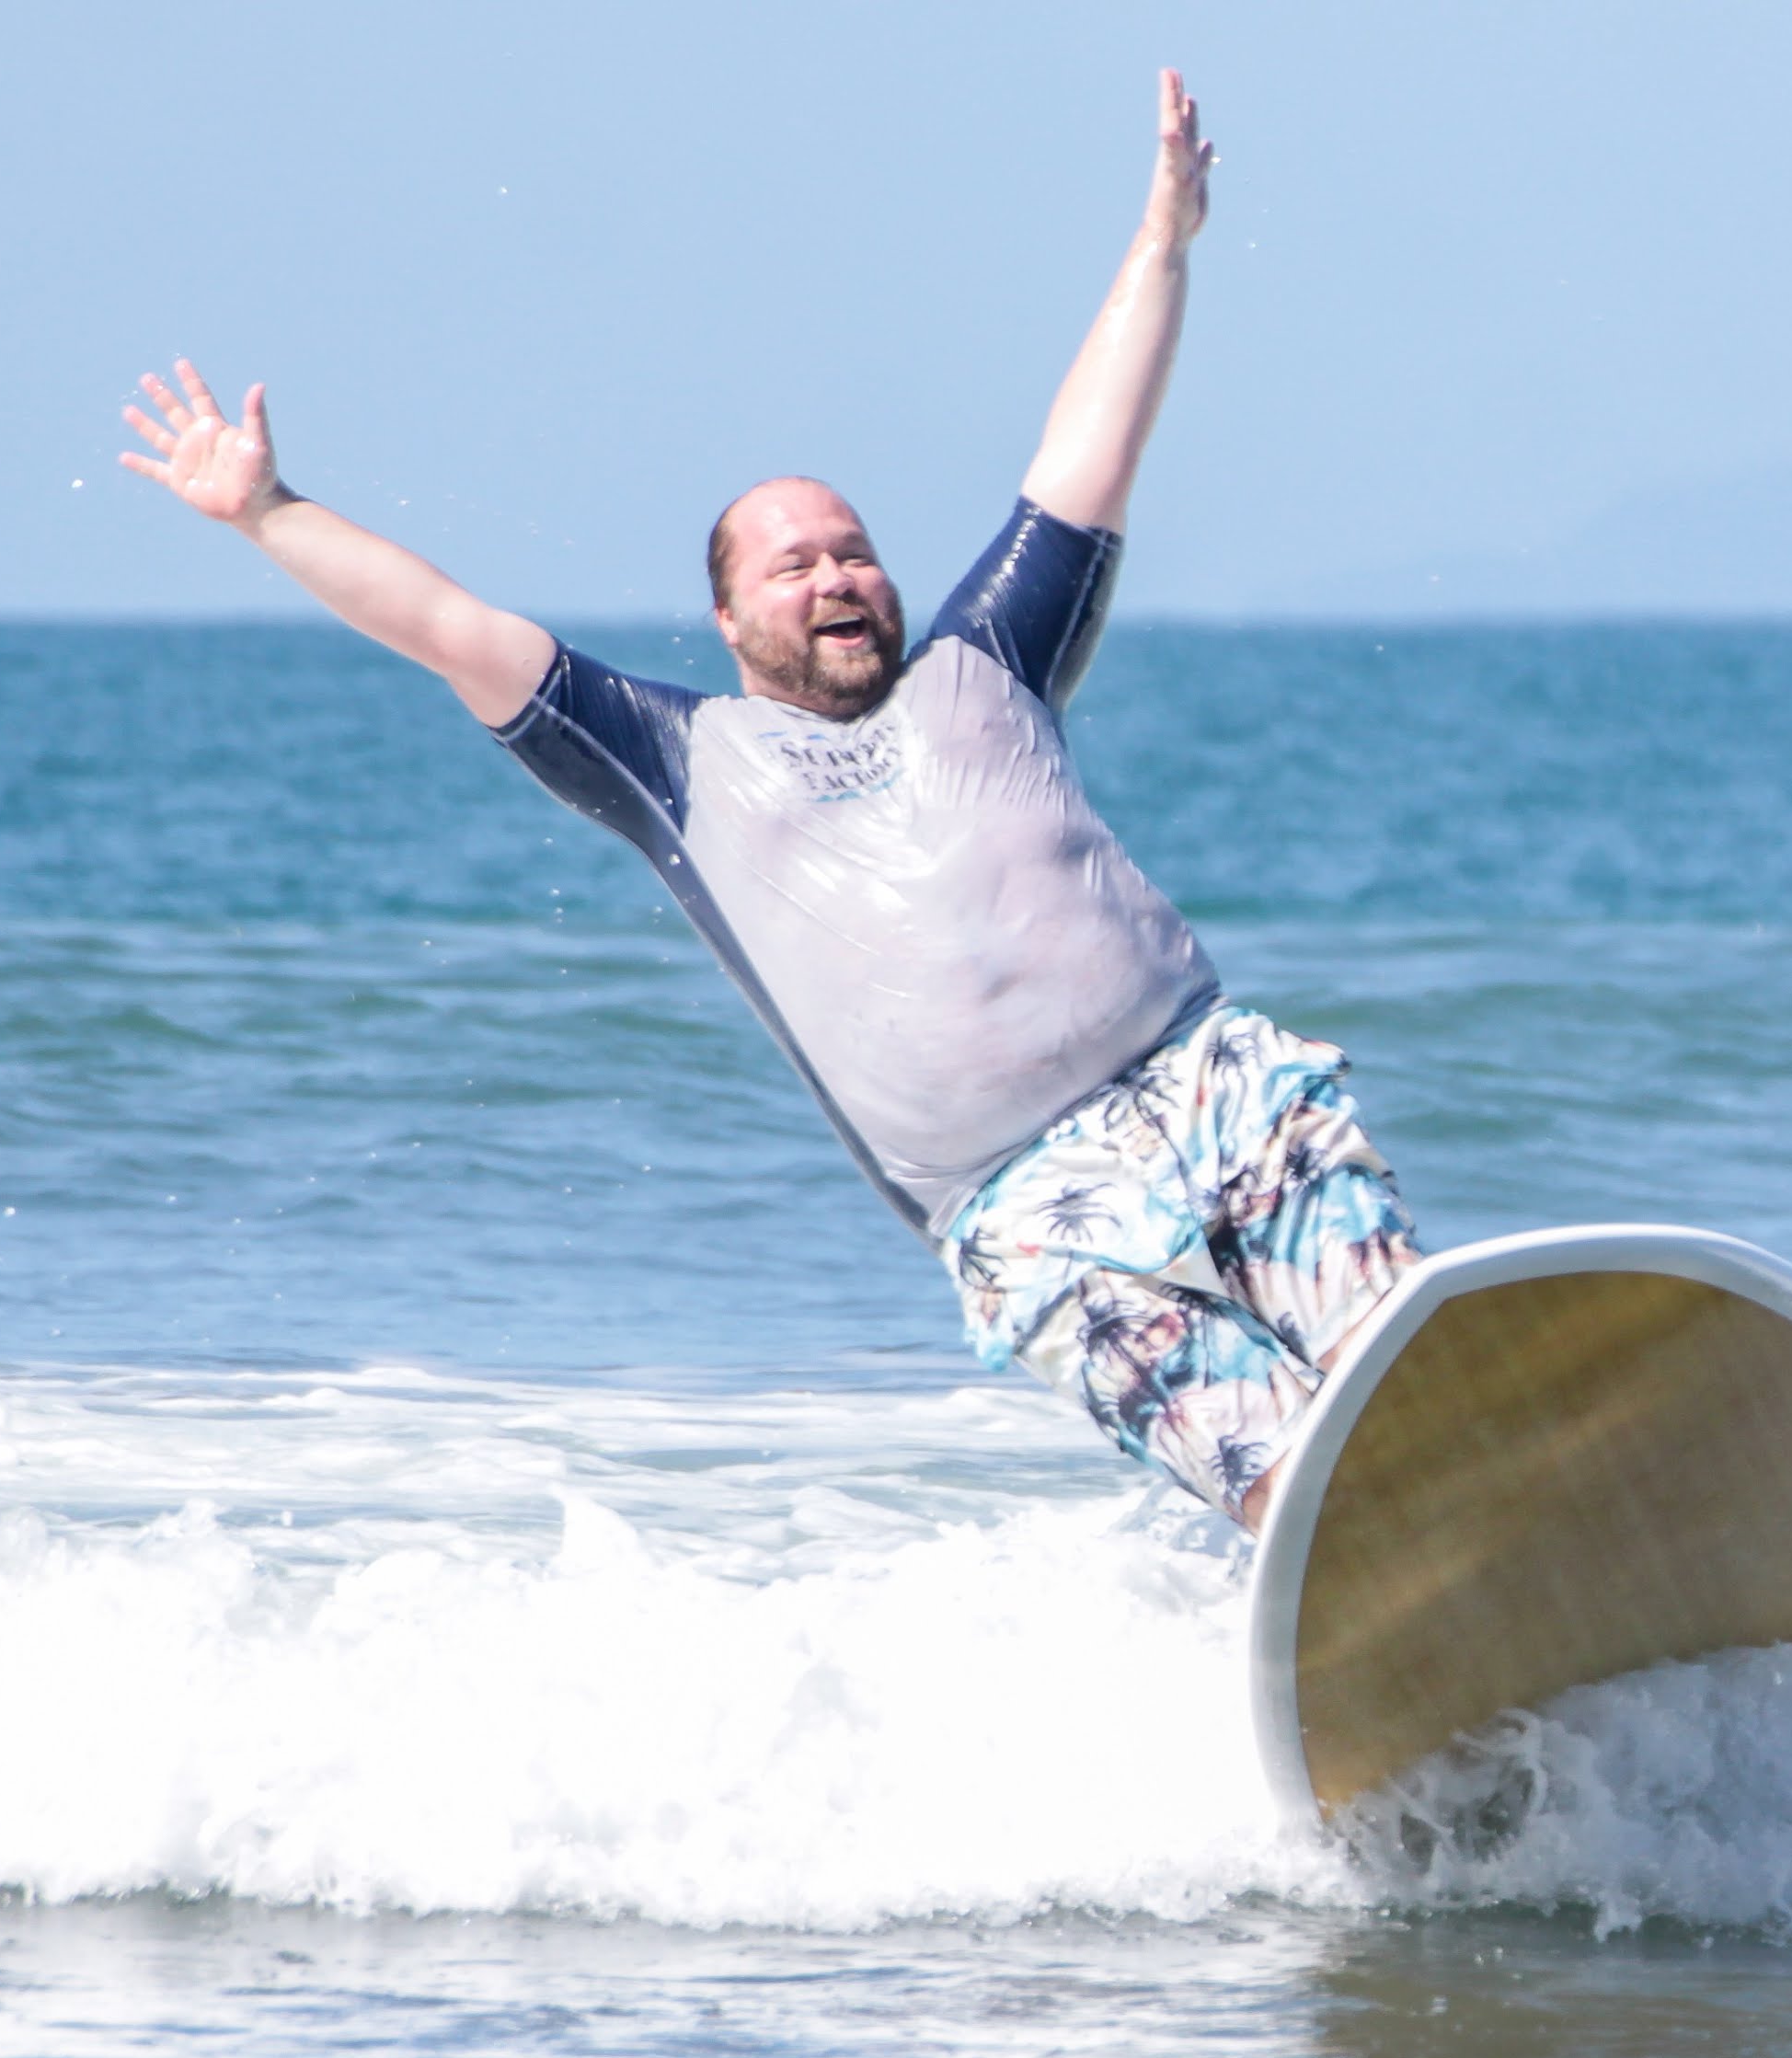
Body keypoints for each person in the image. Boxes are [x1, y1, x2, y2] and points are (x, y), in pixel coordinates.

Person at [118, 71, 1418, 1533]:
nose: (837, 575)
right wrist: (267, 511)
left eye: (852, 550)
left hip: (1211, 1088)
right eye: (791, 565)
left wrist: (1162, 237)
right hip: (1027, 1208)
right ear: (732, 625)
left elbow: (1089, 453)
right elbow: (441, 621)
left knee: (1404, 1380)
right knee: (1298, 1486)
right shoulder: (671, 764)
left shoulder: (990, 662)